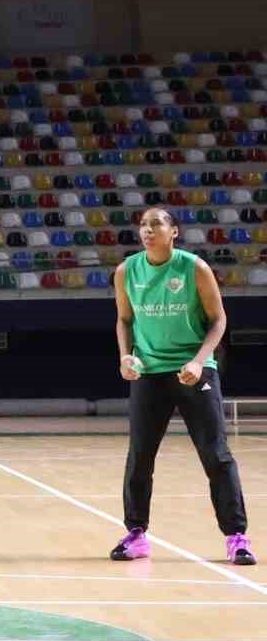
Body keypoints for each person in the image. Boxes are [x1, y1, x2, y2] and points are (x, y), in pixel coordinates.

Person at [112, 207, 254, 565]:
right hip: (149, 372)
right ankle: (136, 534)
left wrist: (199, 360)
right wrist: (125, 356)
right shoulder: (126, 271)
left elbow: (219, 319)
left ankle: (236, 537)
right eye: (143, 225)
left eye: (156, 224)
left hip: (194, 370)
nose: (148, 230)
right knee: (140, 457)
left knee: (216, 456)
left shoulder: (194, 268)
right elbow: (124, 320)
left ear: (173, 231)